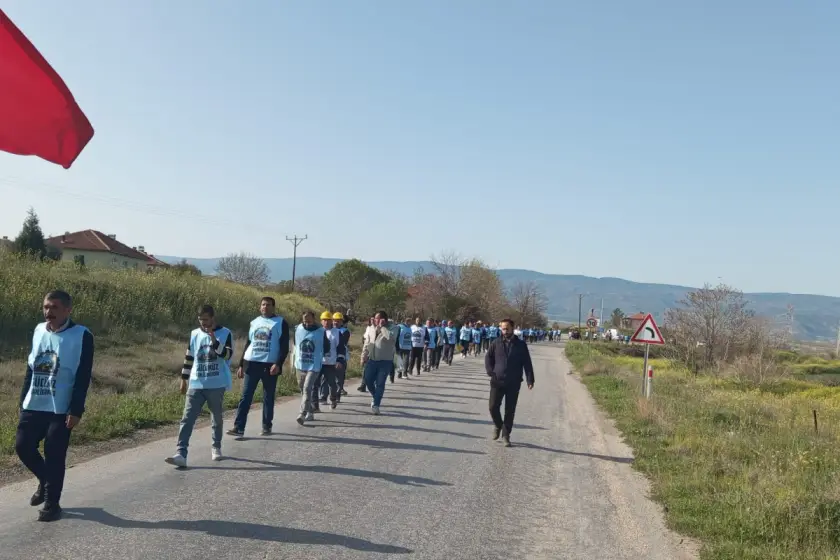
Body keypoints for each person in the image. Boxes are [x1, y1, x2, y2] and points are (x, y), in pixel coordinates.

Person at [16, 290, 94, 522]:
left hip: (61, 407)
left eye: (54, 308)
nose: (49, 312)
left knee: (54, 454)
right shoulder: (39, 330)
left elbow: (83, 374)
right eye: (46, 307)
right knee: (23, 447)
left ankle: (52, 503)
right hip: (35, 402)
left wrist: (76, 409)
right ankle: (44, 480)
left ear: (67, 310)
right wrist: (23, 399)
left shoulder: (82, 335)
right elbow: (31, 366)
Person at [166, 304, 233, 468]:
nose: (203, 323)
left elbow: (228, 355)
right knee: (187, 418)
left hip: (216, 384)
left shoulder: (225, 333)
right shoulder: (194, 334)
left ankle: (216, 446)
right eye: (201, 320)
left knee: (216, 417)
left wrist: (214, 341)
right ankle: (181, 453)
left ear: (213, 318)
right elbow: (189, 357)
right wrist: (184, 378)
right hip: (196, 383)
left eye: (206, 319)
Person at [228, 297, 289, 438]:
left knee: (268, 397)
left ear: (273, 307)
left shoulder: (280, 322)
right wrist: (242, 365)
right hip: (252, 362)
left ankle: (267, 425)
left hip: (270, 364)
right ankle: (239, 427)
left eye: (268, 305)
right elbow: (249, 343)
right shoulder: (254, 322)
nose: (265, 307)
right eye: (263, 304)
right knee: (246, 396)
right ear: (259, 307)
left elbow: (284, 346)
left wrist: (278, 364)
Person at [484, 319, 534, 447]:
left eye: (507, 328)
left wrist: (530, 379)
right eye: (502, 328)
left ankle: (506, 435)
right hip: (497, 381)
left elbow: (527, 363)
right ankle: (498, 425)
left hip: (513, 381)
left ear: (512, 328)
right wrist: (490, 371)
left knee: (509, 410)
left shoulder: (521, 345)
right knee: (493, 406)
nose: (504, 331)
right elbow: (488, 357)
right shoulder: (496, 342)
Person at [294, 311, 330, 425]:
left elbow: (327, 347)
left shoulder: (320, 331)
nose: (307, 323)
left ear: (314, 319)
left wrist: (320, 353)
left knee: (307, 388)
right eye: (305, 321)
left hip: (314, 365)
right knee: (302, 388)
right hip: (300, 364)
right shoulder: (298, 329)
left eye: (309, 321)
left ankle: (302, 413)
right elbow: (296, 343)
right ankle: (310, 411)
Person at [361, 311, 398, 415]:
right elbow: (367, 343)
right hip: (372, 360)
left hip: (385, 362)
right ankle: (375, 396)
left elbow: (390, 338)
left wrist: (382, 327)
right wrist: (363, 356)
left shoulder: (394, 328)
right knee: (368, 381)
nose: (375, 320)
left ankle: (376, 404)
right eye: (375, 318)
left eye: (377, 319)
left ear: (384, 320)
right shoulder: (371, 328)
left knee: (380, 383)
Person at [312, 311, 344, 410]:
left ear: (331, 321)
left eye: (328, 320)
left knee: (332, 384)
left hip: (330, 362)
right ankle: (315, 405)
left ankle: (333, 398)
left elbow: (340, 348)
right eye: (324, 320)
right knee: (314, 384)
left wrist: (339, 360)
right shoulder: (317, 332)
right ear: (321, 321)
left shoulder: (336, 332)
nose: (326, 322)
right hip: (318, 362)